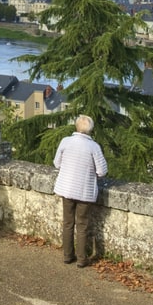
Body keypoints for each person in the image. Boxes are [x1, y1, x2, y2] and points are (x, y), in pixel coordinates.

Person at [52, 114, 108, 267]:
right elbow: (102, 171)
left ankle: (67, 256)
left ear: (76, 126)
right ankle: (82, 259)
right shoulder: (94, 147)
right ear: (90, 130)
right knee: (82, 225)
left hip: (66, 189)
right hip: (85, 191)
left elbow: (57, 163)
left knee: (68, 223)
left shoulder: (65, 141)